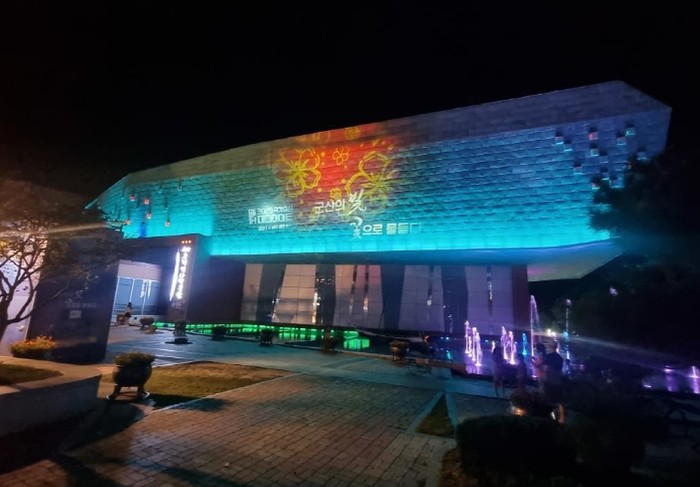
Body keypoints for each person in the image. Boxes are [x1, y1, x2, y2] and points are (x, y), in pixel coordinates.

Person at [542, 342, 566, 423]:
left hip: (550, 380)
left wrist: (544, 378)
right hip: (557, 381)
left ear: (550, 347)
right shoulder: (560, 358)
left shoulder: (549, 357)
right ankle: (560, 418)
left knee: (548, 399)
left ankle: (549, 417)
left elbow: (545, 369)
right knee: (558, 400)